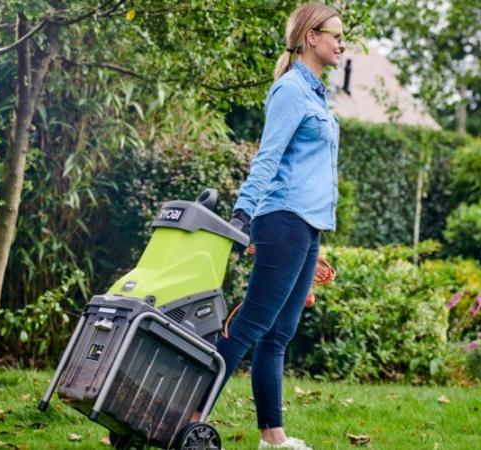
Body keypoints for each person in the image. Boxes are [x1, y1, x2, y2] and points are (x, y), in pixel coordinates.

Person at [193, 3, 345, 449]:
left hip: (308, 226)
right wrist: (242, 214)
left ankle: (273, 438)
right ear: (311, 37)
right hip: (283, 221)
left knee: (278, 334)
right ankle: (186, 416)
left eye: (342, 36)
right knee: (249, 327)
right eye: (335, 35)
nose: (341, 43)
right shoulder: (290, 91)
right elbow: (268, 157)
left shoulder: (316, 93)